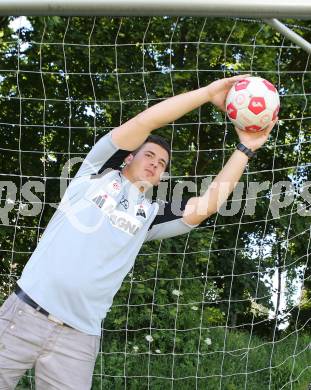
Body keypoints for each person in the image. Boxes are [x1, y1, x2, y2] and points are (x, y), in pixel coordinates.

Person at [0, 75, 276, 389]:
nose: (156, 164)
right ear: (129, 156)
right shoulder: (95, 173)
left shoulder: (150, 215)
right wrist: (208, 93)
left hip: (78, 338)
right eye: (149, 155)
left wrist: (245, 148)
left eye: (162, 163)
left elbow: (209, 204)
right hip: (23, 315)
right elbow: (147, 121)